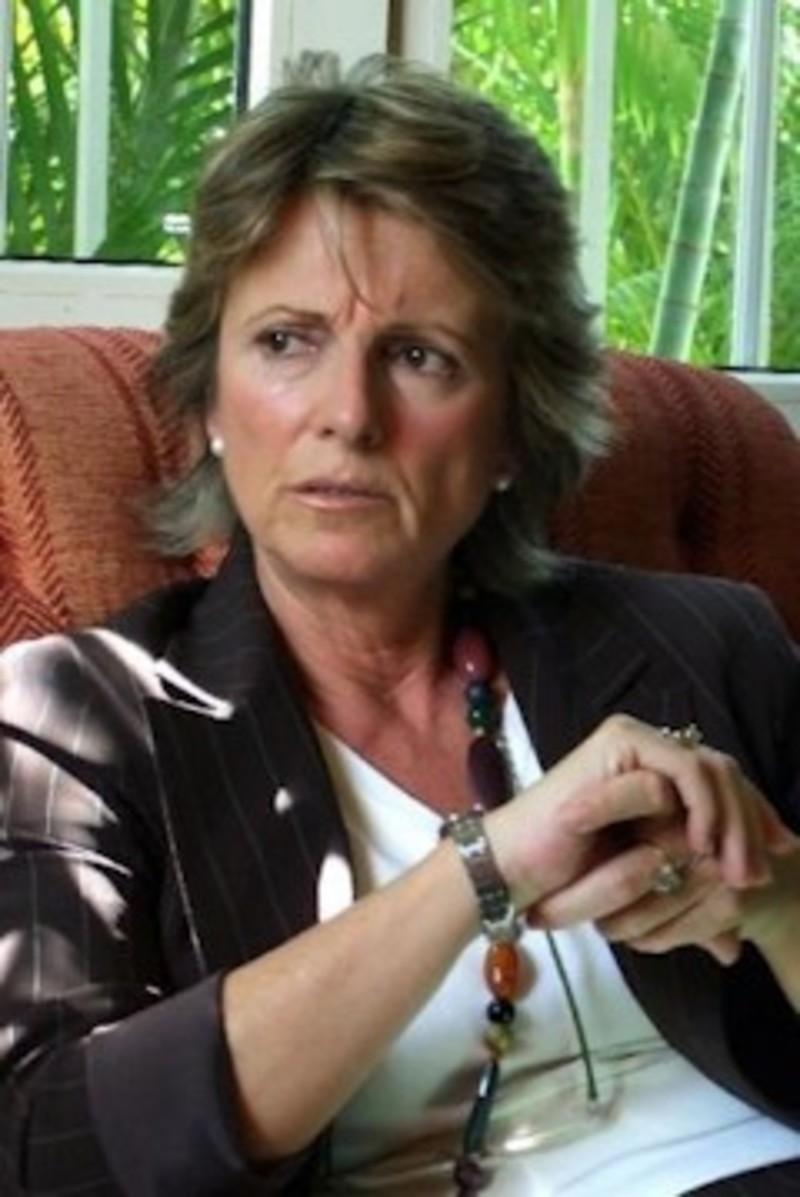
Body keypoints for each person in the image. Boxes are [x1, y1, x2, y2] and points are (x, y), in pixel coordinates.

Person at [0, 55, 798, 1197]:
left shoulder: (706, 644)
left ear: (513, 426)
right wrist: (487, 863)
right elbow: (46, 1147)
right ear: (210, 397)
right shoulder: (74, 720)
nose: (348, 415)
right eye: (286, 341)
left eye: (419, 356)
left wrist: (777, 896)